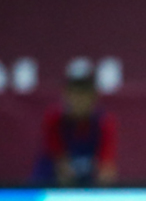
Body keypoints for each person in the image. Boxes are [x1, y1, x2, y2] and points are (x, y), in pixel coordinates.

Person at [35, 59, 119, 187]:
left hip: (87, 187)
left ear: (94, 95)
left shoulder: (103, 123)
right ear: (65, 93)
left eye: (84, 92)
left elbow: (106, 168)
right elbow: (61, 167)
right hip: (49, 185)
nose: (79, 98)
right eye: (75, 92)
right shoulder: (54, 120)